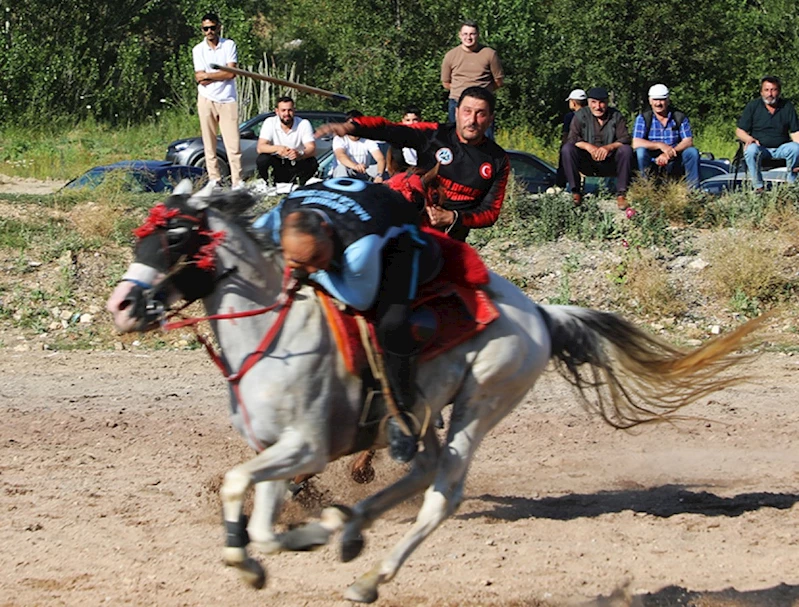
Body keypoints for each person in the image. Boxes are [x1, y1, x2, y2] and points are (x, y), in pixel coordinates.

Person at [253, 179, 441, 463]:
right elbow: (253, 241)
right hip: (341, 213)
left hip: (397, 239)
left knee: (391, 323)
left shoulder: (360, 245)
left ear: (327, 234)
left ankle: (404, 415)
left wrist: (313, 273)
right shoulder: (277, 217)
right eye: (301, 260)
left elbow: (359, 298)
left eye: (317, 258)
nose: (311, 267)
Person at [315, 87, 509, 242]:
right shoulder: (434, 134)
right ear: (457, 112)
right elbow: (390, 129)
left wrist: (453, 217)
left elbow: (490, 213)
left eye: (480, 114)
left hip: (449, 242)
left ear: (491, 118)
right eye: (467, 111)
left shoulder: (498, 160)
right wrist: (351, 127)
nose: (472, 120)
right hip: (405, 228)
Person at [192, 12, 243, 189]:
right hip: (206, 98)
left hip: (227, 99)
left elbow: (231, 73)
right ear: (202, 30)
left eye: (212, 28)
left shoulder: (228, 45)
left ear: (218, 27)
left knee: (233, 142)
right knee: (209, 141)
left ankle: (237, 180)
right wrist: (217, 75)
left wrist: (210, 75)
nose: (209, 31)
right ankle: (215, 178)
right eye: (206, 29)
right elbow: (200, 77)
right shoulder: (198, 50)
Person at [561, 86, 633, 209]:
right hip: (587, 161)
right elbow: (572, 138)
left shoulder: (616, 115)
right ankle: (575, 192)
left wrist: (608, 148)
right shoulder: (580, 115)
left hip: (610, 161)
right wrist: (589, 147)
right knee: (567, 149)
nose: (598, 107)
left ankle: (621, 194)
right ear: (588, 102)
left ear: (607, 102)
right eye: (594, 102)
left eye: (601, 103)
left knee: (626, 150)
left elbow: (625, 138)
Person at [441, 20, 504, 139]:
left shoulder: (489, 54)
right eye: (465, 34)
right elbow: (446, 83)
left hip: (483, 104)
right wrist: (464, 95)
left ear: (478, 35)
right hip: (457, 102)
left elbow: (499, 81)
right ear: (460, 35)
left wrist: (483, 93)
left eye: (472, 34)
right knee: (456, 139)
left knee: (486, 139)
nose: (468, 37)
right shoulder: (450, 55)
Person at [735, 76, 799, 191]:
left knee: (795, 148)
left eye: (773, 90)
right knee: (750, 149)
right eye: (767, 90)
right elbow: (739, 131)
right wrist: (748, 138)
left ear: (778, 92)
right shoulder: (753, 106)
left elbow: (795, 133)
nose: (770, 94)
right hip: (761, 148)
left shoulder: (787, 106)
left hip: (781, 148)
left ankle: (791, 186)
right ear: (761, 92)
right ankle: (758, 186)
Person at [632, 84, 700, 189]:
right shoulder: (643, 118)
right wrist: (659, 145)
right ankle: (645, 188)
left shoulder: (679, 116)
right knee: (640, 152)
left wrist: (670, 153)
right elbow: (636, 142)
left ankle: (693, 191)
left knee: (692, 152)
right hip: (652, 158)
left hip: (675, 156)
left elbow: (688, 141)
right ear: (650, 101)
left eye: (662, 100)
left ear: (668, 101)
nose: (658, 103)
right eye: (655, 100)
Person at [255, 96, 318, 187]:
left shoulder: (303, 123)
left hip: (297, 163)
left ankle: (300, 185)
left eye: (290, 110)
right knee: (263, 159)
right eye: (283, 110)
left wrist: (300, 154)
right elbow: (260, 147)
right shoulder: (269, 122)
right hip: (278, 163)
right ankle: (271, 184)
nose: (287, 114)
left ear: (294, 110)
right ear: (277, 111)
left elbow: (312, 148)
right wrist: (277, 148)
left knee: (312, 162)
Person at [332, 110, 386, 183]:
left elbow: (380, 158)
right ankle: (343, 190)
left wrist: (379, 175)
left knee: (382, 170)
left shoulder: (368, 139)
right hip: (347, 172)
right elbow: (340, 156)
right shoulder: (340, 138)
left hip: (363, 172)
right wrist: (355, 166)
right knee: (341, 168)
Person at [555, 89, 588, 189]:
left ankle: (563, 186)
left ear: (573, 103)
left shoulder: (570, 116)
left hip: (571, 147)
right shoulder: (590, 115)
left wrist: (562, 147)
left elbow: (566, 134)